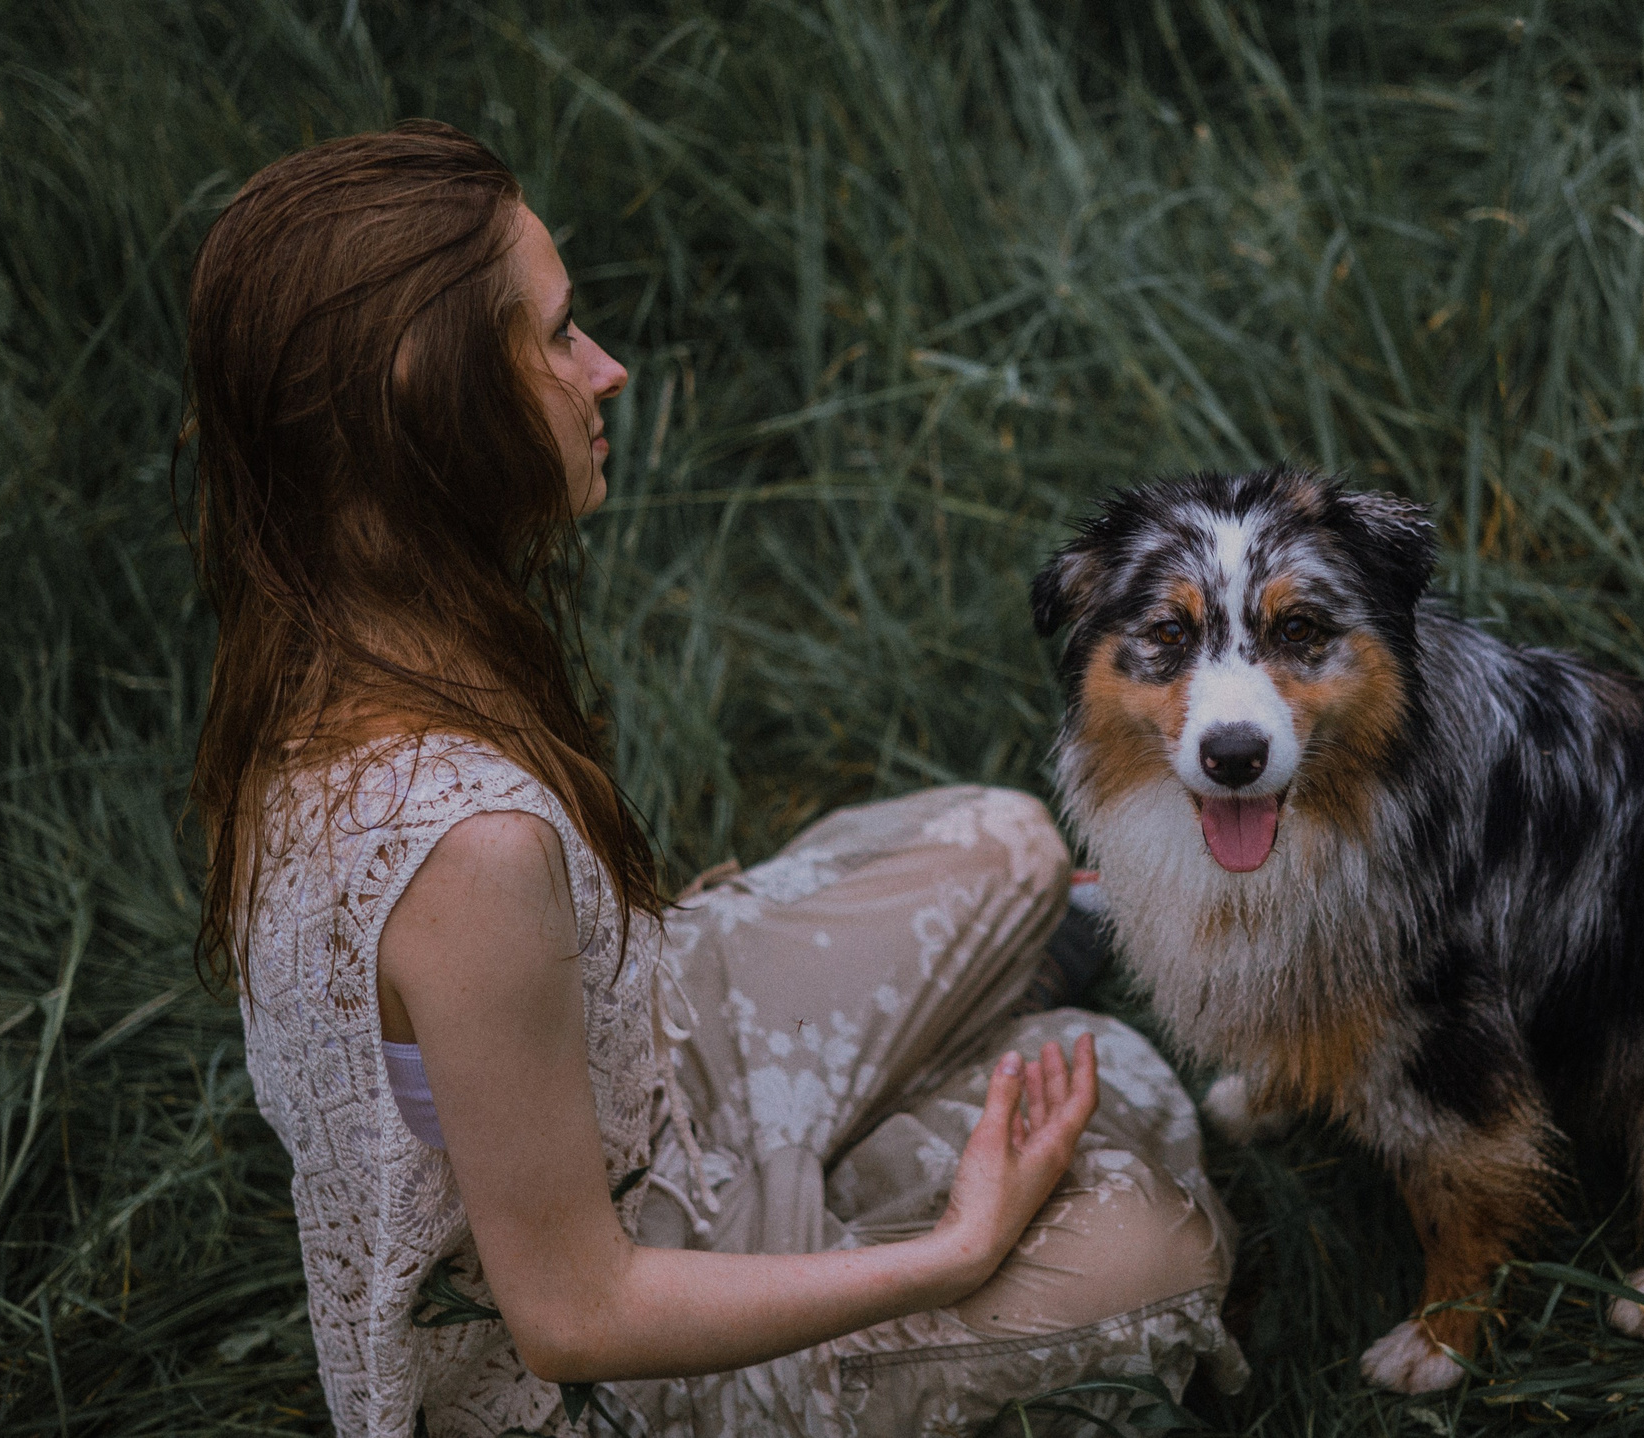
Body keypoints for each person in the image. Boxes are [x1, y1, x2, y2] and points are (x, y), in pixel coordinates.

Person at [183, 120, 1242, 1438]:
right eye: (559, 337)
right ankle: (923, 1124)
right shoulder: (468, 855)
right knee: (1152, 1220)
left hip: (639, 1073)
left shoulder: (314, 607)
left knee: (1012, 842)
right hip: (606, 1355)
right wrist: (957, 1251)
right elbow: (574, 1318)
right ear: (433, 406)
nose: (606, 369)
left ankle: (931, 1063)